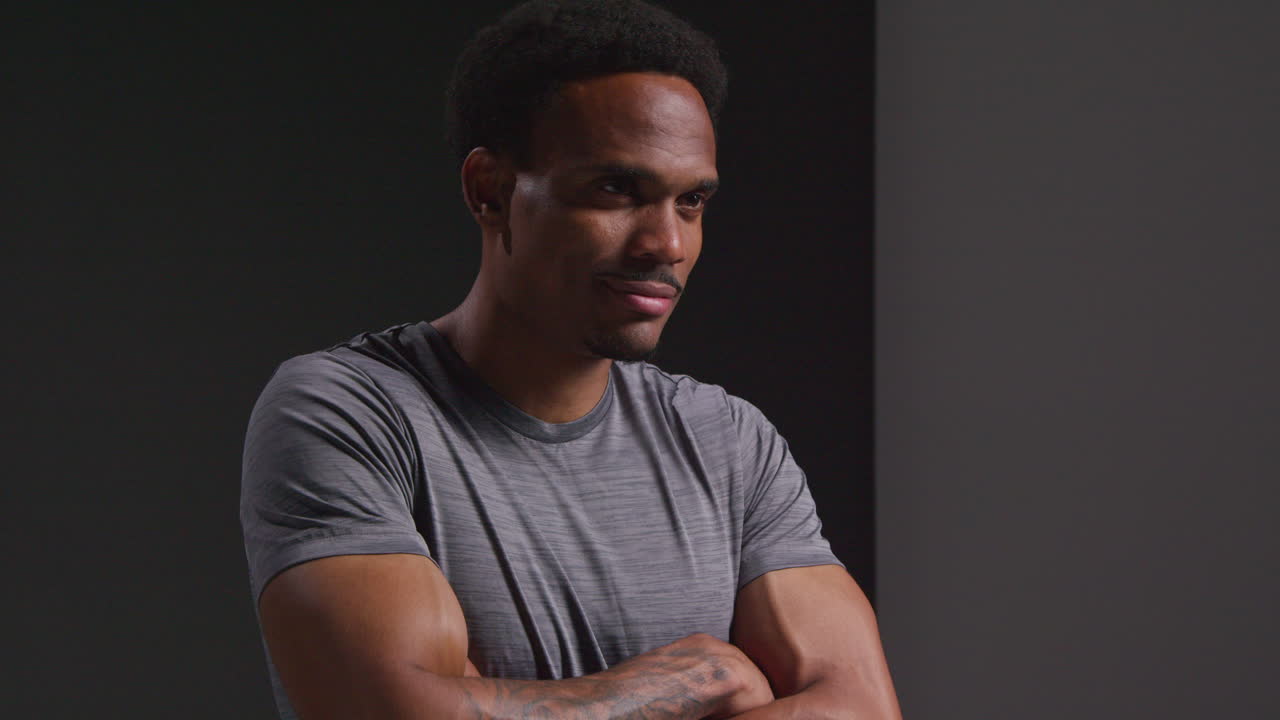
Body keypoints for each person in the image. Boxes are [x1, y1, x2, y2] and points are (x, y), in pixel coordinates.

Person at [240, 1, 901, 717]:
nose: (666, 245)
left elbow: (861, 706)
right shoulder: (350, 413)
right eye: (616, 189)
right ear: (490, 192)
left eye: (691, 201)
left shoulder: (728, 442)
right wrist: (698, 680)